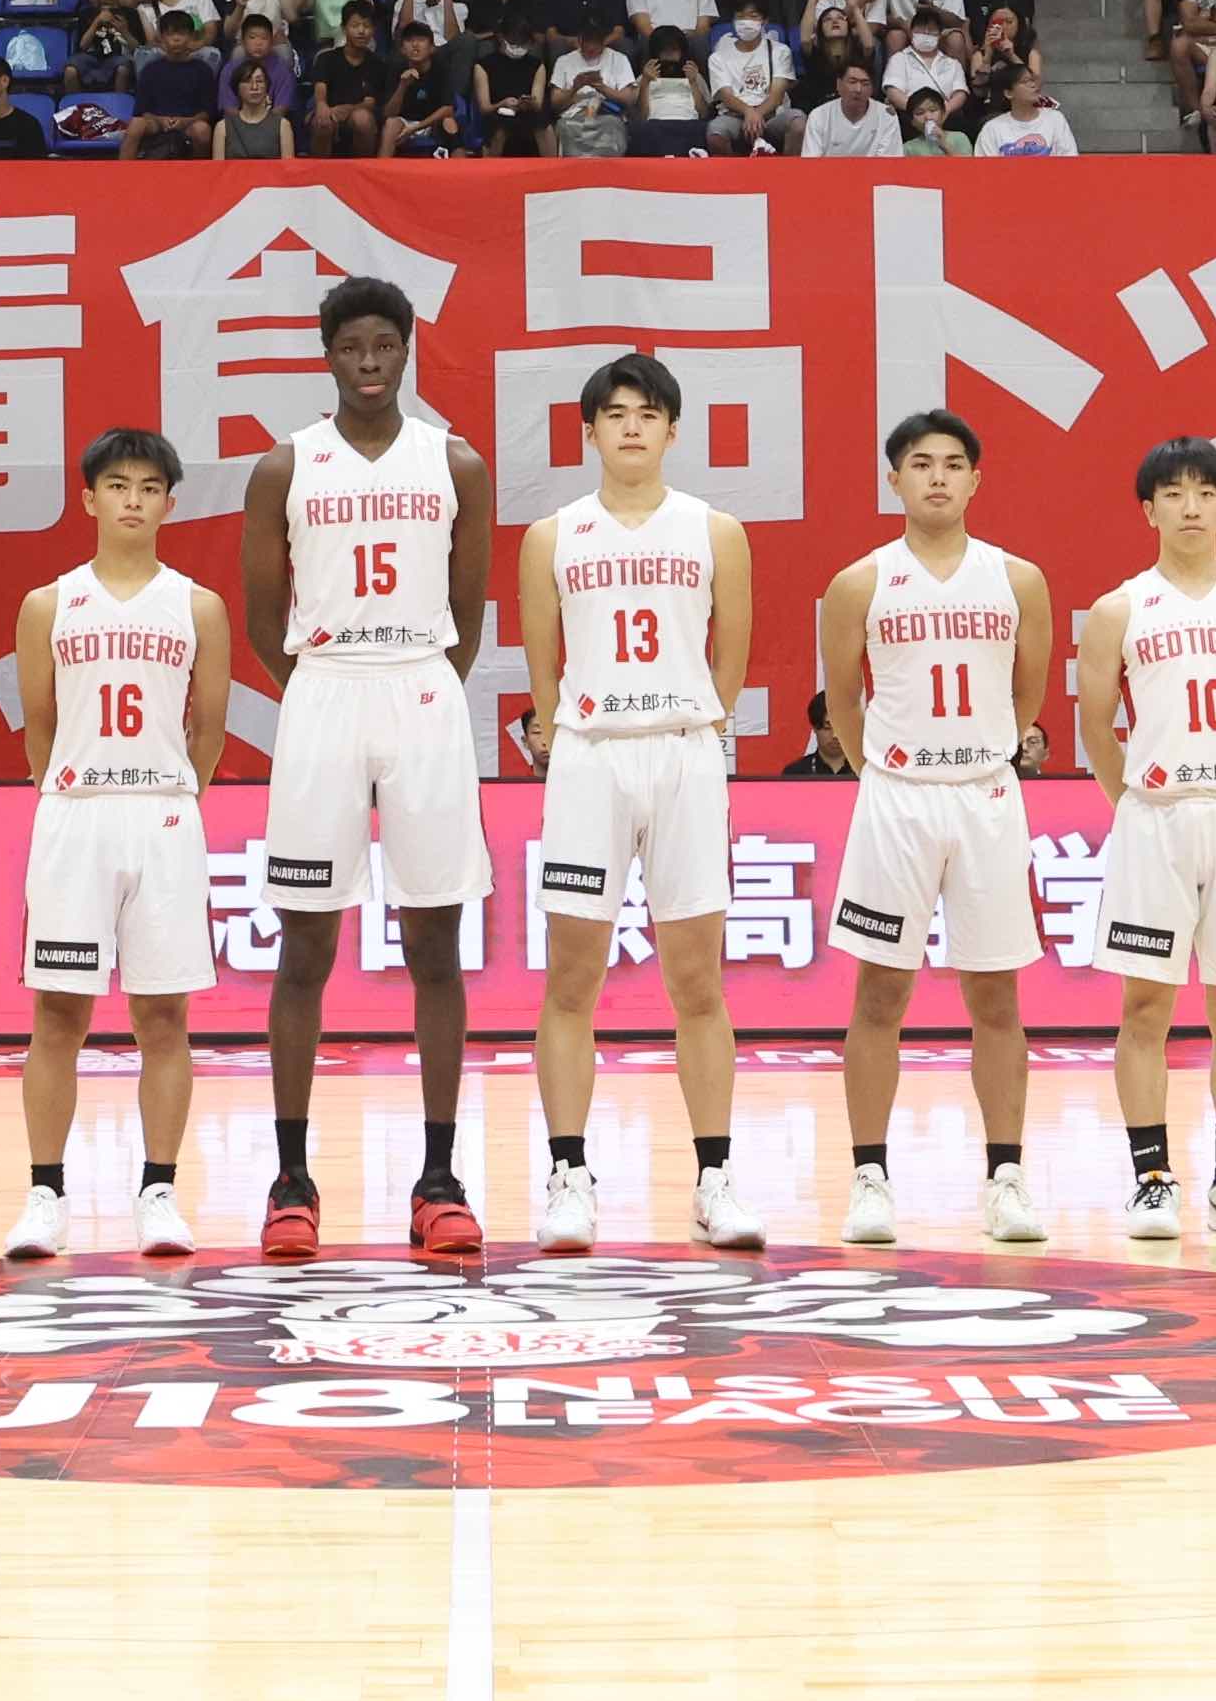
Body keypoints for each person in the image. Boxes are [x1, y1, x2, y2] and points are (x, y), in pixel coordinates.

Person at [236, 279, 498, 1258]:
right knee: (305, 946)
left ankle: (438, 1174)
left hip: (422, 684)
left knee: (435, 940)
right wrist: (321, 690)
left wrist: (416, 679)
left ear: (410, 346)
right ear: (328, 355)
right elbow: (266, 618)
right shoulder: (285, 465)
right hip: (327, 687)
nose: (370, 362)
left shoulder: (456, 460)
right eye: (352, 347)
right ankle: (291, 1176)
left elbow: (468, 617)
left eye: (386, 343)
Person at [514, 352, 757, 1251]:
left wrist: (698, 721)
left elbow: (729, 657)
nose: (630, 427)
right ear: (587, 431)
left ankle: (716, 1177)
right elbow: (543, 672)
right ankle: (569, 1172)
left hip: (686, 752)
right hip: (589, 757)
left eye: (647, 414)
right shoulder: (553, 537)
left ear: (672, 430)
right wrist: (563, 730)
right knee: (572, 979)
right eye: (613, 413)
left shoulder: (714, 530)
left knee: (697, 980)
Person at [811, 406, 1056, 1249]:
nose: (939, 477)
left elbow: (1029, 695)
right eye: (921, 464)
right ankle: (871, 1176)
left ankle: (1007, 1177)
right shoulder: (861, 583)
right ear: (895, 479)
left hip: (985, 794)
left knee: (996, 994)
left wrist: (982, 751)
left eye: (955, 463)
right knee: (880, 991)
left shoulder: (1017, 578)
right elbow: (842, 699)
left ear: (977, 479)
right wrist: (886, 760)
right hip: (897, 796)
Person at [7, 430, 237, 1263]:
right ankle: (45, 1194)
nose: (134, 499)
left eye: (149, 486)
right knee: (57, 1015)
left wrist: (170, 792)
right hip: (75, 811)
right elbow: (39, 730)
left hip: (164, 813)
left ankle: (159, 1191)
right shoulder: (48, 604)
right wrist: (77, 790)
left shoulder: (197, 605)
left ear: (170, 503)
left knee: (163, 1016)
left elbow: (207, 730)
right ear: (89, 498)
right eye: (118, 484)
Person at [1075, 437, 1216, 1241]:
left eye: (1207, 493)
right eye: (1174, 493)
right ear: (1149, 510)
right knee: (1146, 1008)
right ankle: (1151, 1179)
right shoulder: (1121, 609)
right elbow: (1094, 725)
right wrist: (1136, 802)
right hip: (1156, 820)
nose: (1192, 507)